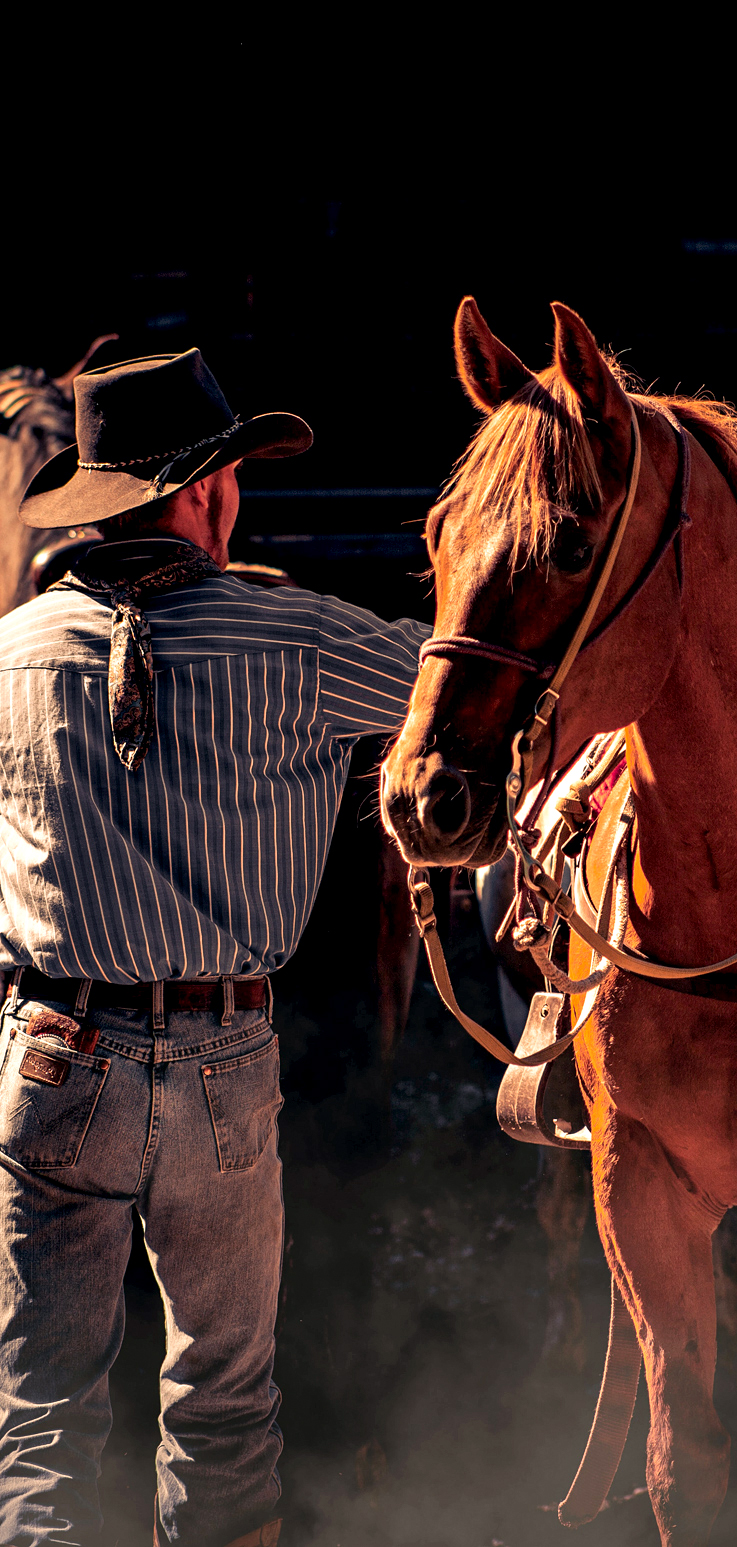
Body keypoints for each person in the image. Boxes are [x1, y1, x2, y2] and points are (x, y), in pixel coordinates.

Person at [0, 349, 428, 1546]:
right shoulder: (303, 637)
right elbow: (472, 691)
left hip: (48, 1057)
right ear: (207, 492)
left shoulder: (11, 652)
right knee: (225, 1405)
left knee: (39, 1413)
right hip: (217, 1061)